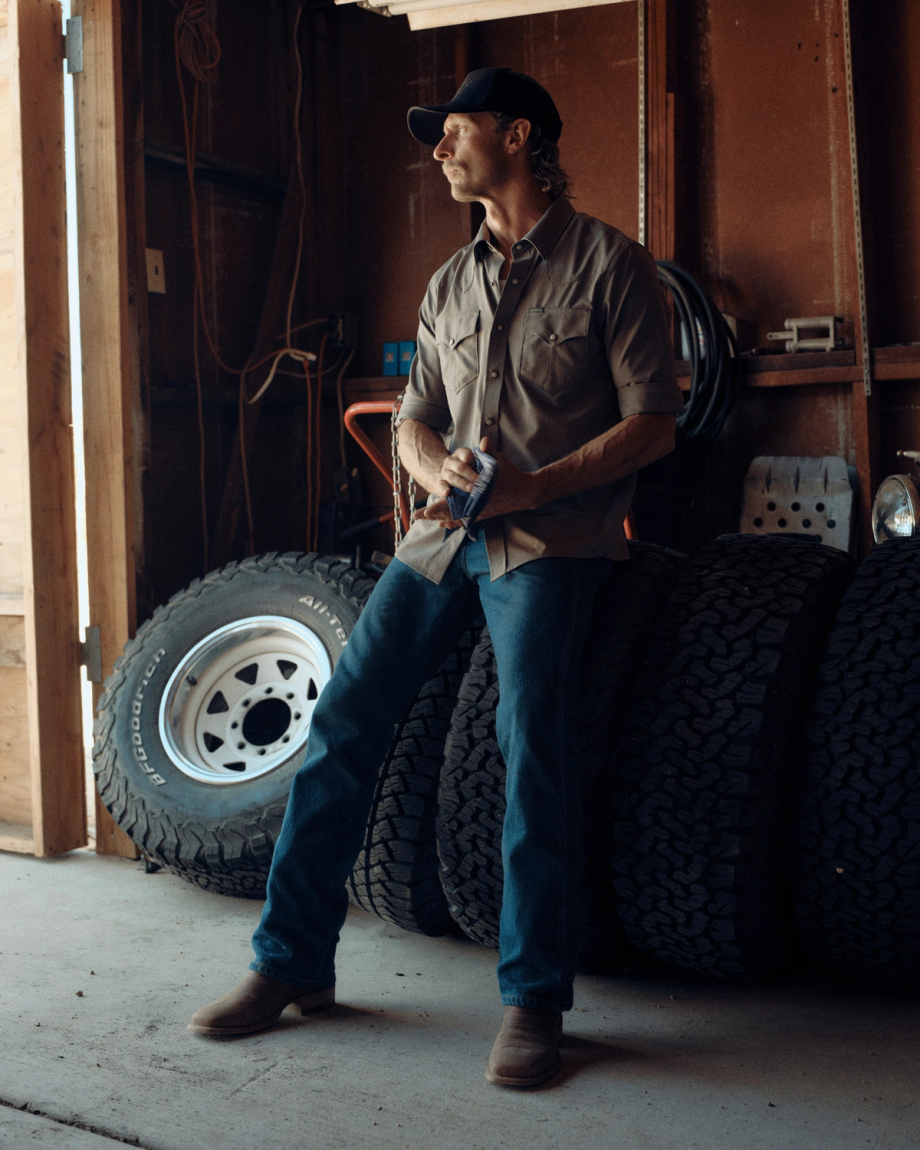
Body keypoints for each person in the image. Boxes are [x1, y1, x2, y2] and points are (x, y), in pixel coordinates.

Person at [189, 67, 682, 1089]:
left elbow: (652, 423)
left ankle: (534, 1000)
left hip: (547, 544)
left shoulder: (612, 266)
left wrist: (535, 484)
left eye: (454, 130)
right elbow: (414, 417)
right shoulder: (449, 282)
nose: (439, 149)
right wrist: (428, 465)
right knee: (341, 720)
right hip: (439, 539)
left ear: (518, 135)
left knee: (531, 747)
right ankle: (289, 962)